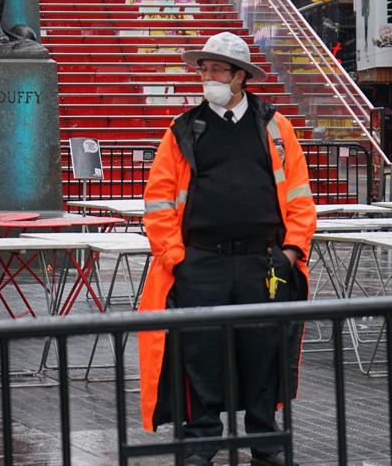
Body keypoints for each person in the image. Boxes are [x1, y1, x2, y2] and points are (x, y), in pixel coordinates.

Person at [138, 32, 317, 466]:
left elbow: (299, 197)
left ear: (240, 77)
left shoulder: (276, 126)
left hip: (264, 261)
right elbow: (157, 202)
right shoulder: (182, 130)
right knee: (199, 351)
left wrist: (291, 252)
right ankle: (200, 439)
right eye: (204, 69)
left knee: (264, 349)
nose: (208, 76)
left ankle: (264, 437)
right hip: (201, 262)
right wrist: (175, 258)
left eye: (217, 69)